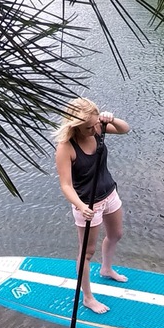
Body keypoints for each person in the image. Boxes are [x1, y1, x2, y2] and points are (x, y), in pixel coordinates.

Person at [53, 97, 130, 314]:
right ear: (75, 126)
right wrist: (80, 205)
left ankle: (106, 269)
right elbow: (66, 185)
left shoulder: (98, 128)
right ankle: (87, 297)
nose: (93, 129)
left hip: (109, 193)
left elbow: (125, 129)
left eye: (95, 124)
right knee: (87, 252)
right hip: (87, 204)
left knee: (116, 234)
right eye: (87, 127)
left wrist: (111, 119)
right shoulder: (66, 147)